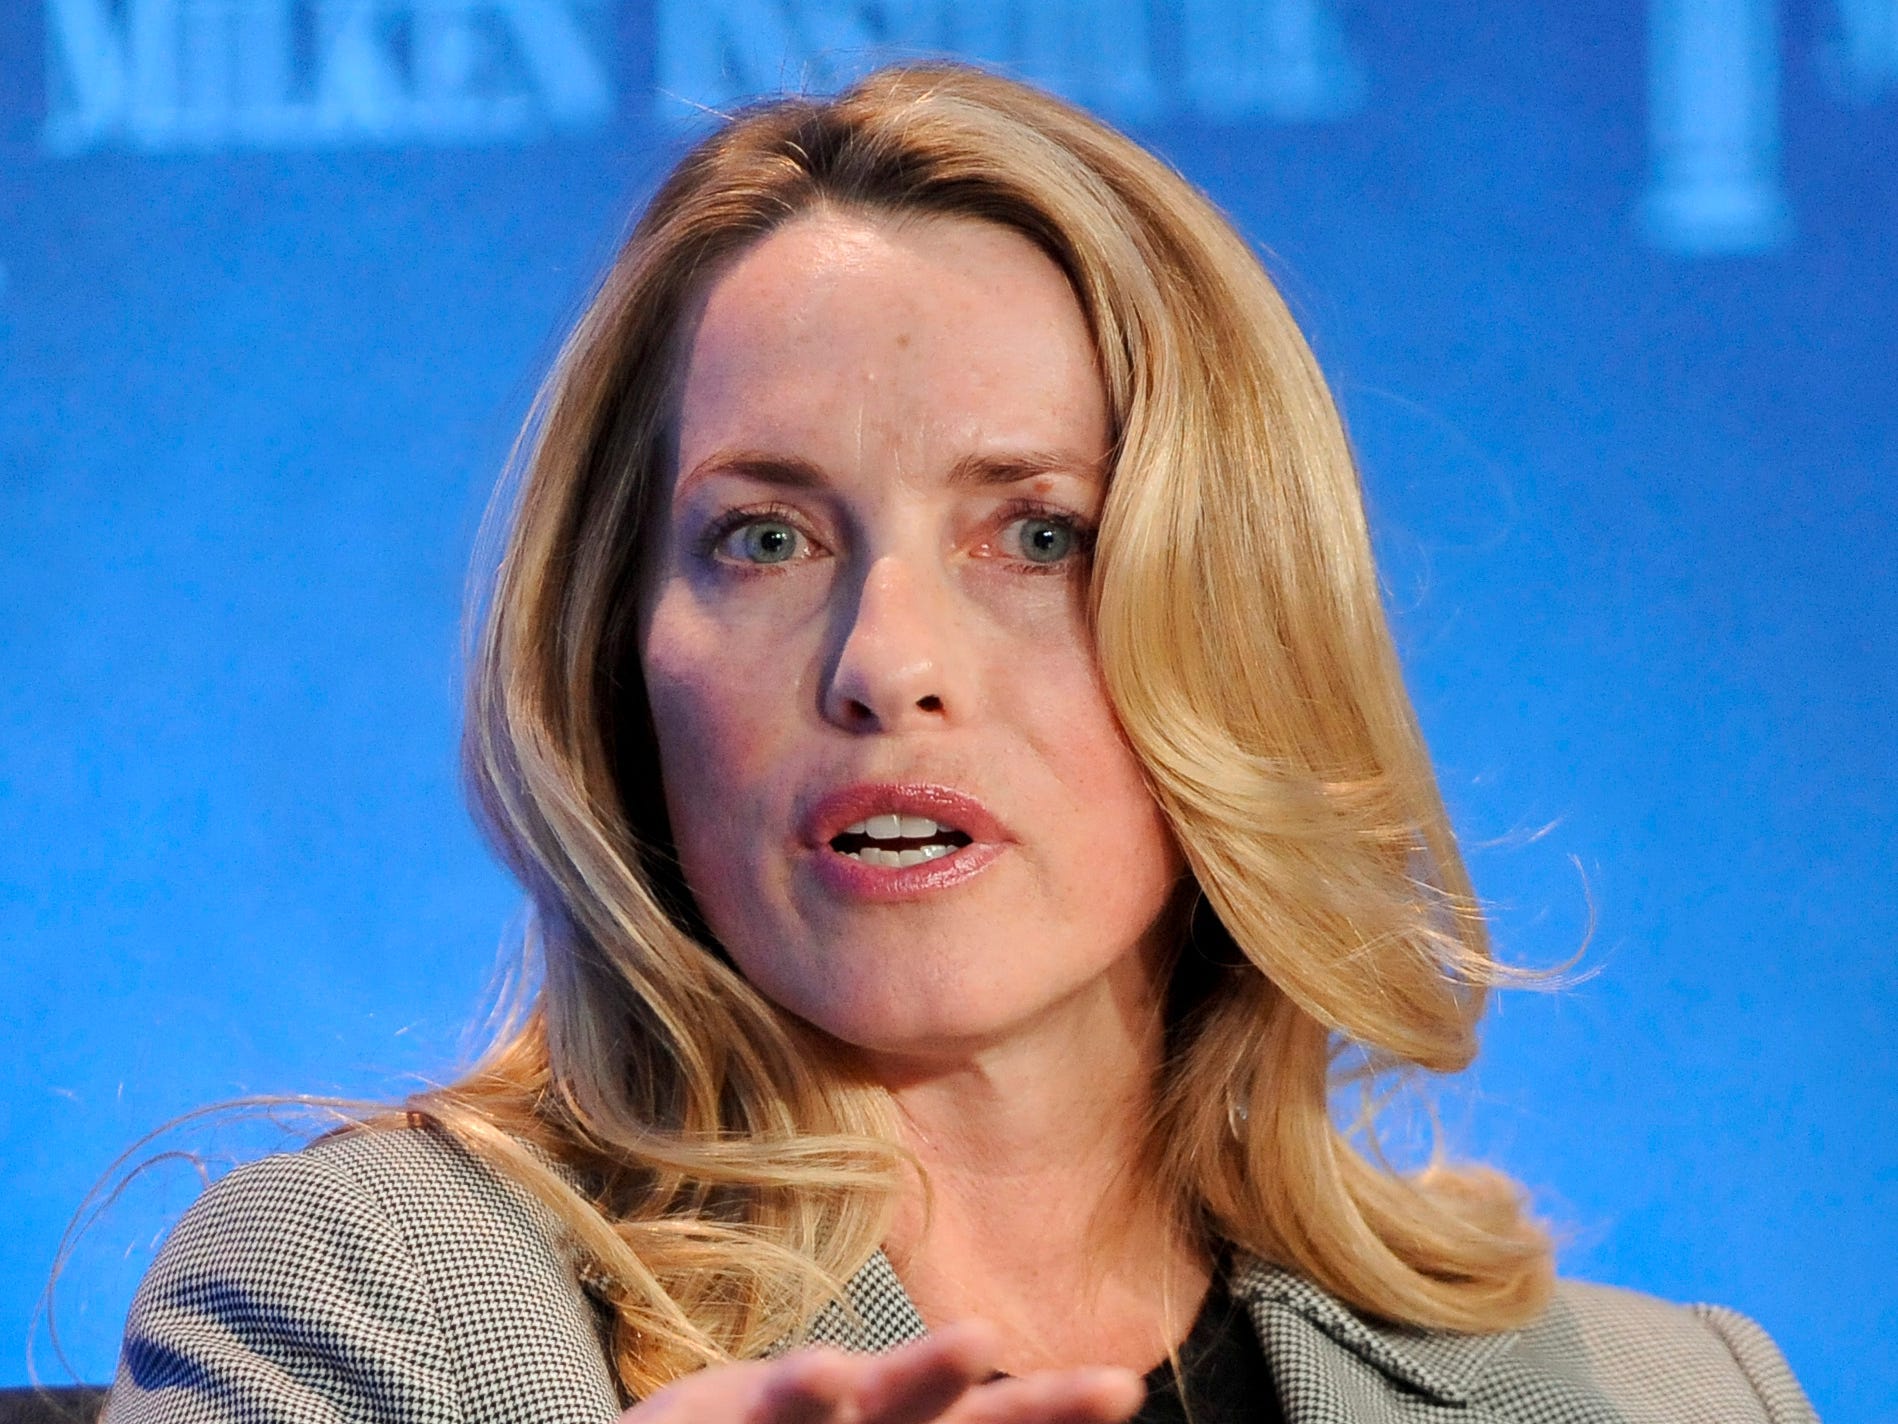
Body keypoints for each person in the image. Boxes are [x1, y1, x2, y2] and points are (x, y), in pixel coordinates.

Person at [102, 63, 1816, 1424]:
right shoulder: (355, 1319)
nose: (885, 663)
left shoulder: (1679, 1394)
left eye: (1039, 534)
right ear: (615, 658)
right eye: (764, 539)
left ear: (1239, 626)